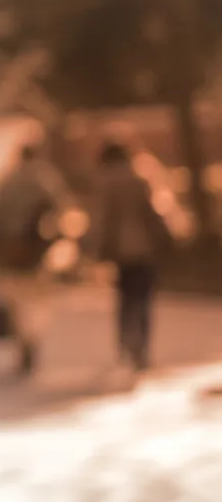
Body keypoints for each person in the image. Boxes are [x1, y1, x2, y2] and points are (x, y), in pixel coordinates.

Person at [83, 142, 172, 372]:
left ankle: (126, 345)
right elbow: (153, 214)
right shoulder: (139, 179)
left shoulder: (104, 183)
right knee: (143, 299)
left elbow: (101, 220)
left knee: (125, 300)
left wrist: (95, 250)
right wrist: (165, 239)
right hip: (144, 248)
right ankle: (141, 347)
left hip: (120, 252)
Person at [0, 143, 67, 377]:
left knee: (15, 300)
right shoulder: (45, 182)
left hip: (8, 251)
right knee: (35, 299)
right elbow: (59, 213)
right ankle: (31, 340)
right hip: (34, 252)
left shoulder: (7, 182)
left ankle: (23, 342)